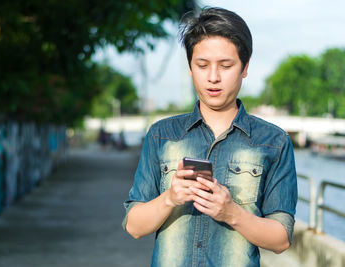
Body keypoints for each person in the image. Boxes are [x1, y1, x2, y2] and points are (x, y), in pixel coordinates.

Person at [122, 7, 297, 267]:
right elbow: (134, 226)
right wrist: (170, 197)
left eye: (226, 66)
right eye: (202, 65)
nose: (213, 78)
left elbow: (281, 239)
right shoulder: (162, 135)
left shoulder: (275, 142)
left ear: (245, 67)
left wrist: (231, 213)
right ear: (190, 67)